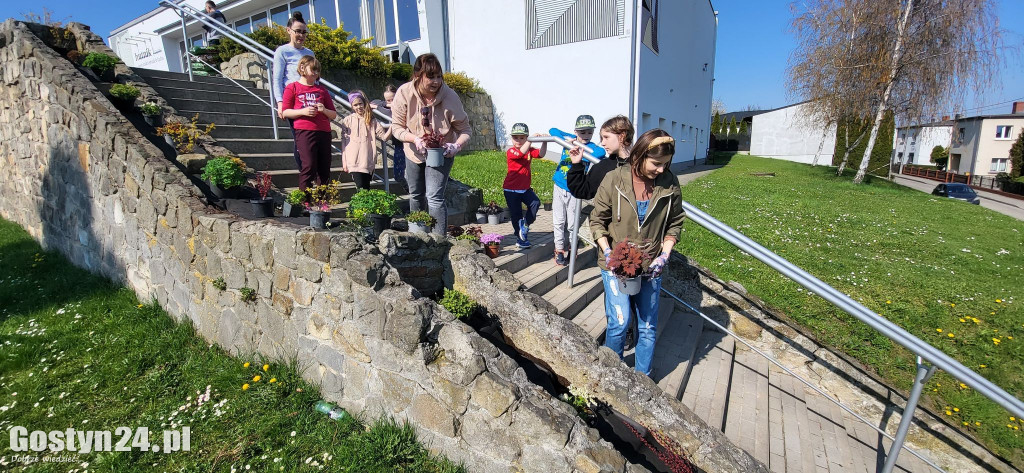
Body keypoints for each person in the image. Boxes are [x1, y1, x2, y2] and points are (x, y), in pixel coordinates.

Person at [589, 129, 686, 377]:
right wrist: (609, 252)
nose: (662, 170)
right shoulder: (614, 179)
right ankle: (612, 377)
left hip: (651, 266)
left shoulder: (669, 183)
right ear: (640, 155)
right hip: (614, 265)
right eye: (656, 164)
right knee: (619, 323)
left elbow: (675, 222)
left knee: (648, 326)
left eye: (666, 164)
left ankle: (643, 380)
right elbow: (597, 220)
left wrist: (664, 255)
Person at [390, 53, 472, 235]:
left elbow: (465, 130)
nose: (436, 81)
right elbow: (396, 128)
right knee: (416, 195)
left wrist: (456, 146)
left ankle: (438, 242)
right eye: (431, 76)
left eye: (439, 76)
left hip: (442, 153)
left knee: (434, 197)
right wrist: (414, 139)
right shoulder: (404, 93)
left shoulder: (450, 97)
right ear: (418, 76)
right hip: (413, 152)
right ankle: (418, 237)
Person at [549, 115, 606, 265]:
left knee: (572, 224)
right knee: (558, 221)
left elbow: (600, 153)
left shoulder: (592, 148)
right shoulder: (569, 139)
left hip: (575, 190)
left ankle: (572, 248)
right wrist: (571, 140)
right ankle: (559, 248)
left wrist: (579, 147)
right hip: (559, 186)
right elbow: (553, 130)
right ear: (576, 131)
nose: (586, 136)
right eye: (582, 132)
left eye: (589, 132)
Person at [280, 56, 337, 190]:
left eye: (318, 70)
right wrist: (303, 112)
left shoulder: (322, 90)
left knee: (324, 167)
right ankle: (304, 201)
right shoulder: (292, 87)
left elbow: (333, 114)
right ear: (302, 68)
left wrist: (324, 110)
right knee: (309, 165)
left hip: (324, 131)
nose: (316, 73)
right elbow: (285, 112)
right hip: (304, 131)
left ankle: (322, 202)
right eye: (313, 69)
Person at [271, 12, 315, 168]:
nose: (301, 35)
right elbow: (277, 79)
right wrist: (280, 103)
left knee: (312, 138)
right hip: (293, 100)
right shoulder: (282, 51)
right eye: (298, 31)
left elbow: (314, 77)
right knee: (300, 139)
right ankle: (304, 173)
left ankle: (312, 172)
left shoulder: (309, 53)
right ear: (288, 30)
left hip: (309, 99)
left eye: (304, 32)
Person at [566, 115, 634, 200]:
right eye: (602, 138)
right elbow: (582, 191)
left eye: (606, 137)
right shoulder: (604, 167)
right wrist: (576, 165)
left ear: (622, 136)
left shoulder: (640, 164)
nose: (603, 143)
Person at [503, 123, 548, 248]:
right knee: (516, 214)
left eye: (522, 138)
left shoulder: (529, 149)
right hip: (511, 190)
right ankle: (520, 239)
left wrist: (544, 142)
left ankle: (525, 225)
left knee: (535, 203)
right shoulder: (511, 151)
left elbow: (541, 154)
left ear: (526, 138)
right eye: (515, 138)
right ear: (511, 139)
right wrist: (529, 140)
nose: (518, 141)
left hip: (525, 189)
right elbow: (521, 153)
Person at [340, 90, 387, 190]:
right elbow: (344, 142)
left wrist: (393, 125)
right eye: (355, 105)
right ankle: (361, 206)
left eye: (360, 104)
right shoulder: (347, 120)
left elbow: (384, 137)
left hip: (367, 160)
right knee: (360, 186)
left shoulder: (372, 121)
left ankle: (363, 206)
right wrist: (344, 161)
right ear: (352, 106)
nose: (358, 107)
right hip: (353, 160)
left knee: (366, 187)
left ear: (364, 103)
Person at [370, 84, 407, 188]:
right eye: (388, 100)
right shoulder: (385, 105)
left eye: (393, 99)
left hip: (409, 144)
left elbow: (390, 114)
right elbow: (375, 102)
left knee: (409, 175)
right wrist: (383, 104)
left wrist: (377, 107)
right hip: (399, 145)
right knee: (398, 176)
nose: (391, 102)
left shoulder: (404, 105)